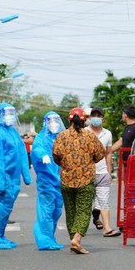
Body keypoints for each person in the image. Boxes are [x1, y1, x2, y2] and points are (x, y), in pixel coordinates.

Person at [53, 107, 105, 255]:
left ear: (69, 120)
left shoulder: (61, 136)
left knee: (71, 212)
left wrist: (65, 166)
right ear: (84, 121)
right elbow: (100, 153)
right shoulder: (89, 136)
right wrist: (90, 161)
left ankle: (74, 240)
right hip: (85, 179)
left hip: (66, 180)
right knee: (83, 211)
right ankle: (76, 239)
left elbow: (56, 155)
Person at [0, 103, 32, 249]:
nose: (10, 116)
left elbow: (22, 153)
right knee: (0, 208)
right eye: (7, 113)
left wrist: (26, 175)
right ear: (0, 115)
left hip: (13, 178)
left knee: (6, 208)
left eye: (12, 113)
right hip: (2, 178)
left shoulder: (13, 133)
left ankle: (0, 235)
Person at [31, 112, 65, 251]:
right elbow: (37, 148)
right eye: (51, 121)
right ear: (45, 123)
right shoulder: (41, 137)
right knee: (46, 209)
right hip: (46, 179)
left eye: (56, 121)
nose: (54, 124)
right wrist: (43, 154)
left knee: (56, 210)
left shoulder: (62, 138)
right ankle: (44, 239)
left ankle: (49, 236)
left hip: (60, 180)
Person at [86, 107, 119, 237]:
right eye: (93, 115)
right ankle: (78, 228)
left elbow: (108, 153)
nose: (96, 118)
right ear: (89, 118)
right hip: (87, 173)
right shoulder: (84, 132)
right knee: (86, 202)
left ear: (103, 118)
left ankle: (107, 228)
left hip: (102, 172)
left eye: (98, 115)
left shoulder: (108, 134)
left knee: (104, 201)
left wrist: (109, 172)